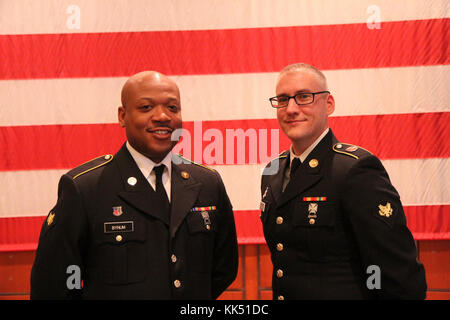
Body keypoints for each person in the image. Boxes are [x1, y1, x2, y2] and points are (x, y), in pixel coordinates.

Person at [31, 71, 238, 299]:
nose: (162, 116)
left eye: (172, 108)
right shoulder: (85, 188)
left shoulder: (207, 183)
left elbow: (223, 269)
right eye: (146, 107)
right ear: (122, 116)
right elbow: (54, 282)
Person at [260, 63, 427, 300]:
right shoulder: (272, 172)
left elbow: (396, 272)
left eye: (304, 97)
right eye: (283, 99)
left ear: (329, 104)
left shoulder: (355, 169)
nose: (291, 108)